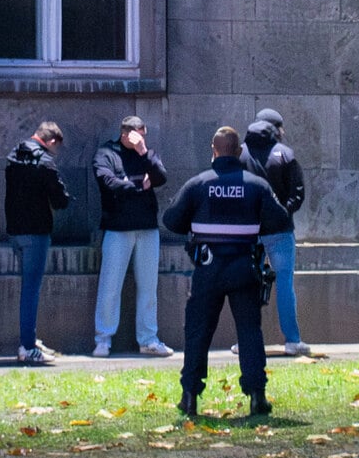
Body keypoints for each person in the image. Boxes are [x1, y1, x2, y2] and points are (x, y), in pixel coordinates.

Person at [162, 126, 289, 417]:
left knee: (198, 332)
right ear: (238, 151)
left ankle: (190, 396)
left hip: (208, 268)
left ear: (214, 150)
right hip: (245, 267)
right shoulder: (256, 185)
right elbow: (280, 220)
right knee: (249, 331)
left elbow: (171, 220)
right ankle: (257, 396)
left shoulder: (198, 184)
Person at [91, 116, 173, 358]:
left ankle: (148, 339)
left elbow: (161, 176)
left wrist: (143, 152)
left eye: (143, 135)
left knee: (148, 286)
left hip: (147, 227)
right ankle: (103, 339)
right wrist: (136, 186)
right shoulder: (106, 153)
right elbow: (107, 181)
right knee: (110, 286)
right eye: (137, 136)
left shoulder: (146, 153)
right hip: (117, 228)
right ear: (124, 134)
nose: (140, 139)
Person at [233, 109, 310, 356]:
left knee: (246, 286)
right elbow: (297, 193)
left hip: (247, 231)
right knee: (285, 284)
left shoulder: (240, 153)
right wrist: (282, 213)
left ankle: (245, 340)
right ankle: (292, 340)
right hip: (280, 230)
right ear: (277, 129)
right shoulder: (285, 155)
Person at [4, 121, 71, 364]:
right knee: (31, 289)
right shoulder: (45, 163)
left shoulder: (14, 156)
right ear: (51, 141)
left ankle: (28, 337)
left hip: (15, 230)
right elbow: (60, 200)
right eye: (56, 147)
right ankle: (27, 345)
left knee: (27, 287)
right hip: (37, 231)